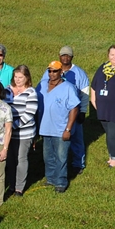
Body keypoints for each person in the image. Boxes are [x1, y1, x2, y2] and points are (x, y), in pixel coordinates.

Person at [39, 61, 82, 193]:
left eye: (55, 71)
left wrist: (68, 129)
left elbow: (74, 108)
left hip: (61, 129)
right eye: (50, 71)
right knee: (48, 156)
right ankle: (50, 178)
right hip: (45, 128)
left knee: (61, 157)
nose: (52, 73)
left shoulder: (68, 87)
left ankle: (61, 182)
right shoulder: (41, 85)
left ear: (61, 72)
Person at [4, 65, 40, 197]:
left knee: (21, 159)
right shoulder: (7, 90)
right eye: (16, 77)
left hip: (24, 133)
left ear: (27, 78)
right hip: (9, 134)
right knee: (11, 160)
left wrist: (12, 126)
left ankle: (19, 187)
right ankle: (11, 184)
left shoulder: (31, 92)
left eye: (21, 77)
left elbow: (29, 114)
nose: (18, 80)